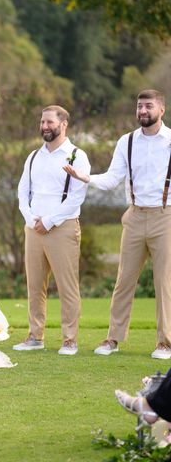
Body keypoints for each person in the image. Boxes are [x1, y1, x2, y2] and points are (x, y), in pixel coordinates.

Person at [65, 89, 171, 359]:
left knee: (164, 282)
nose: (143, 111)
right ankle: (113, 338)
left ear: (161, 109)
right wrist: (85, 177)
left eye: (148, 106)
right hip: (134, 215)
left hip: (165, 216)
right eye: (139, 106)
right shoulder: (128, 141)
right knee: (124, 280)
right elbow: (113, 177)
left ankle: (165, 343)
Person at [14, 105, 90, 355]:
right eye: (42, 122)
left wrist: (48, 221)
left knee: (67, 286)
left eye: (49, 122)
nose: (44, 127)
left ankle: (70, 340)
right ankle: (35, 336)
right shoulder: (34, 156)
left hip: (62, 228)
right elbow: (23, 191)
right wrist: (30, 218)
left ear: (63, 124)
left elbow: (76, 198)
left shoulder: (77, 156)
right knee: (35, 286)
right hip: (33, 228)